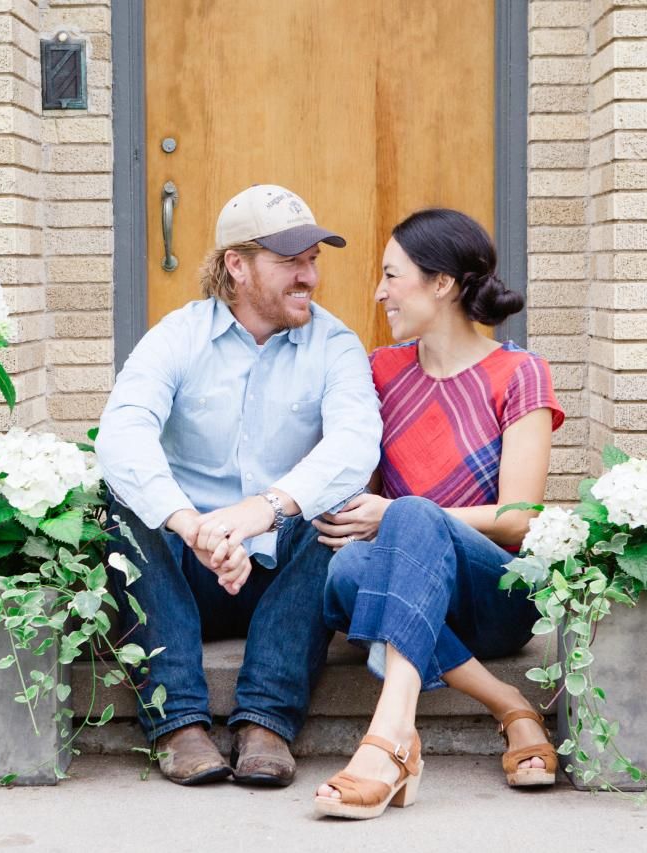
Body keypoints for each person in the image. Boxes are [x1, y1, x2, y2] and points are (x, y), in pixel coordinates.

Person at [96, 184, 382, 788]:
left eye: (313, 260)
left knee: (337, 505)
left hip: (280, 571)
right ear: (237, 265)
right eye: (290, 261)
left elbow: (355, 445)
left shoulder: (335, 344)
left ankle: (266, 722)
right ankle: (178, 724)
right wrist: (188, 523)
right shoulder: (177, 337)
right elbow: (122, 435)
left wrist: (264, 510)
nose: (309, 276)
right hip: (186, 572)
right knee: (120, 504)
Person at [310, 208, 565, 819]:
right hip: (407, 591)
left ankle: (388, 738)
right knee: (346, 575)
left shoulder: (520, 373)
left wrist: (403, 513)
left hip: (495, 595)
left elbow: (518, 520)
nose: (380, 292)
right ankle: (508, 704)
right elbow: (359, 508)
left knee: (414, 516)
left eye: (393, 276)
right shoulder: (381, 371)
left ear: (442, 283)